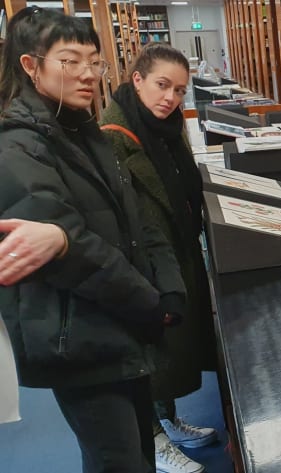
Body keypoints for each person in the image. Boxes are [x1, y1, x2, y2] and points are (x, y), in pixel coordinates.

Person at [0, 8, 185, 473]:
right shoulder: (15, 146)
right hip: (78, 337)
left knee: (135, 453)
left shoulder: (84, 129)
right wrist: (147, 301)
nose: (87, 74)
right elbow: (70, 249)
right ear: (30, 65)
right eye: (70, 60)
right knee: (117, 461)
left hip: (119, 324)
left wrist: (167, 290)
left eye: (94, 61)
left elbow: (133, 218)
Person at [100, 43, 216, 473]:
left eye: (180, 90)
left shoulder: (166, 127)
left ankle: (167, 420)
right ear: (138, 80)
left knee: (169, 352)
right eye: (162, 85)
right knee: (147, 355)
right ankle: (152, 437)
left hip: (174, 251)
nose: (170, 97)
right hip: (142, 265)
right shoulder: (116, 135)